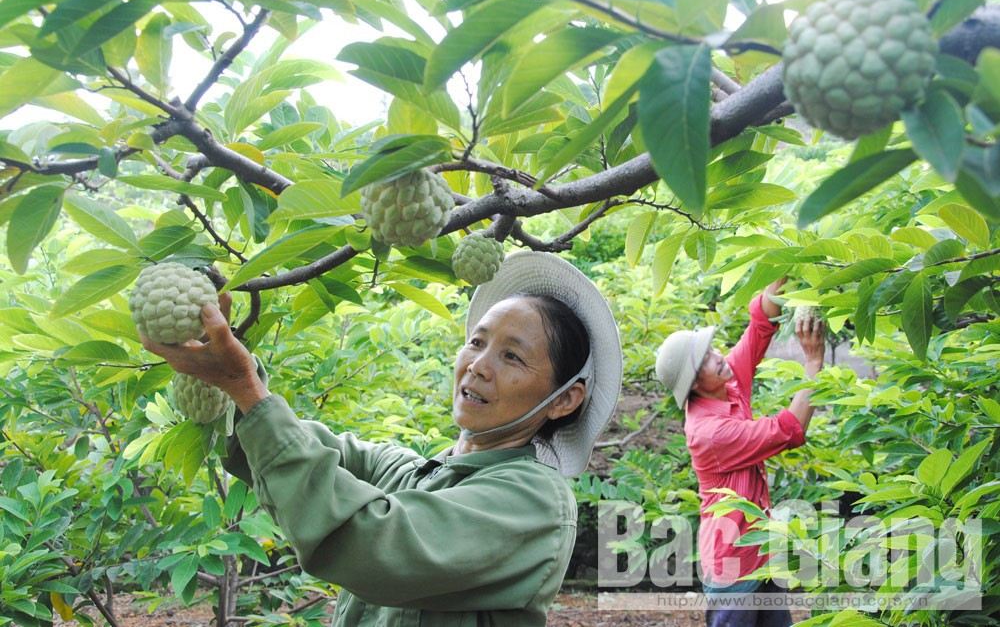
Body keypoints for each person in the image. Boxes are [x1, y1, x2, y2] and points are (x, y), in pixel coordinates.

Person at [142, 251, 623, 626]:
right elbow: (294, 447)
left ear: (564, 400)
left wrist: (244, 385)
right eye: (477, 342)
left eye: (512, 357)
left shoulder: (533, 504)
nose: (477, 365)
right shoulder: (415, 471)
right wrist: (228, 366)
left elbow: (370, 544)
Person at [654, 277, 826, 627]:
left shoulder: (725, 384)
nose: (718, 356)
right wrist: (814, 362)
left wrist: (782, 271)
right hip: (733, 565)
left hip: (762, 550)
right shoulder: (710, 432)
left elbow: (760, 327)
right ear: (693, 385)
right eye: (706, 358)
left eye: (713, 349)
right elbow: (789, 428)